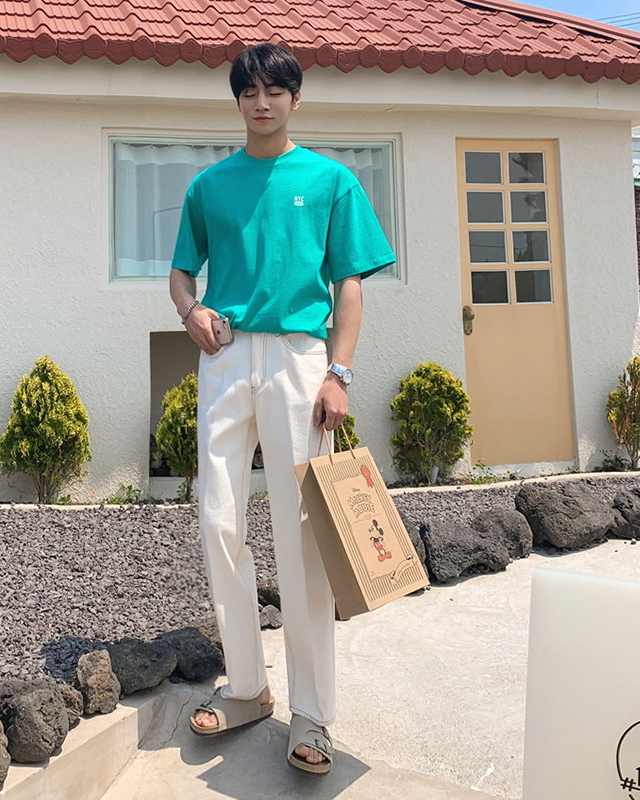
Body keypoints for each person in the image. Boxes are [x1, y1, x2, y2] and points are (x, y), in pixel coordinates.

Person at [168, 42, 395, 775]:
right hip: (226, 356)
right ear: (237, 101)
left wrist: (339, 373)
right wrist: (190, 312)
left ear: (296, 98)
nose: (261, 102)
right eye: (249, 92)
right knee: (218, 520)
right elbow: (180, 273)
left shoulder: (330, 180)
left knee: (302, 538)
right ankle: (247, 688)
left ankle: (313, 714)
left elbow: (349, 285)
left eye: (274, 90)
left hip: (302, 358)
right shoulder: (209, 186)